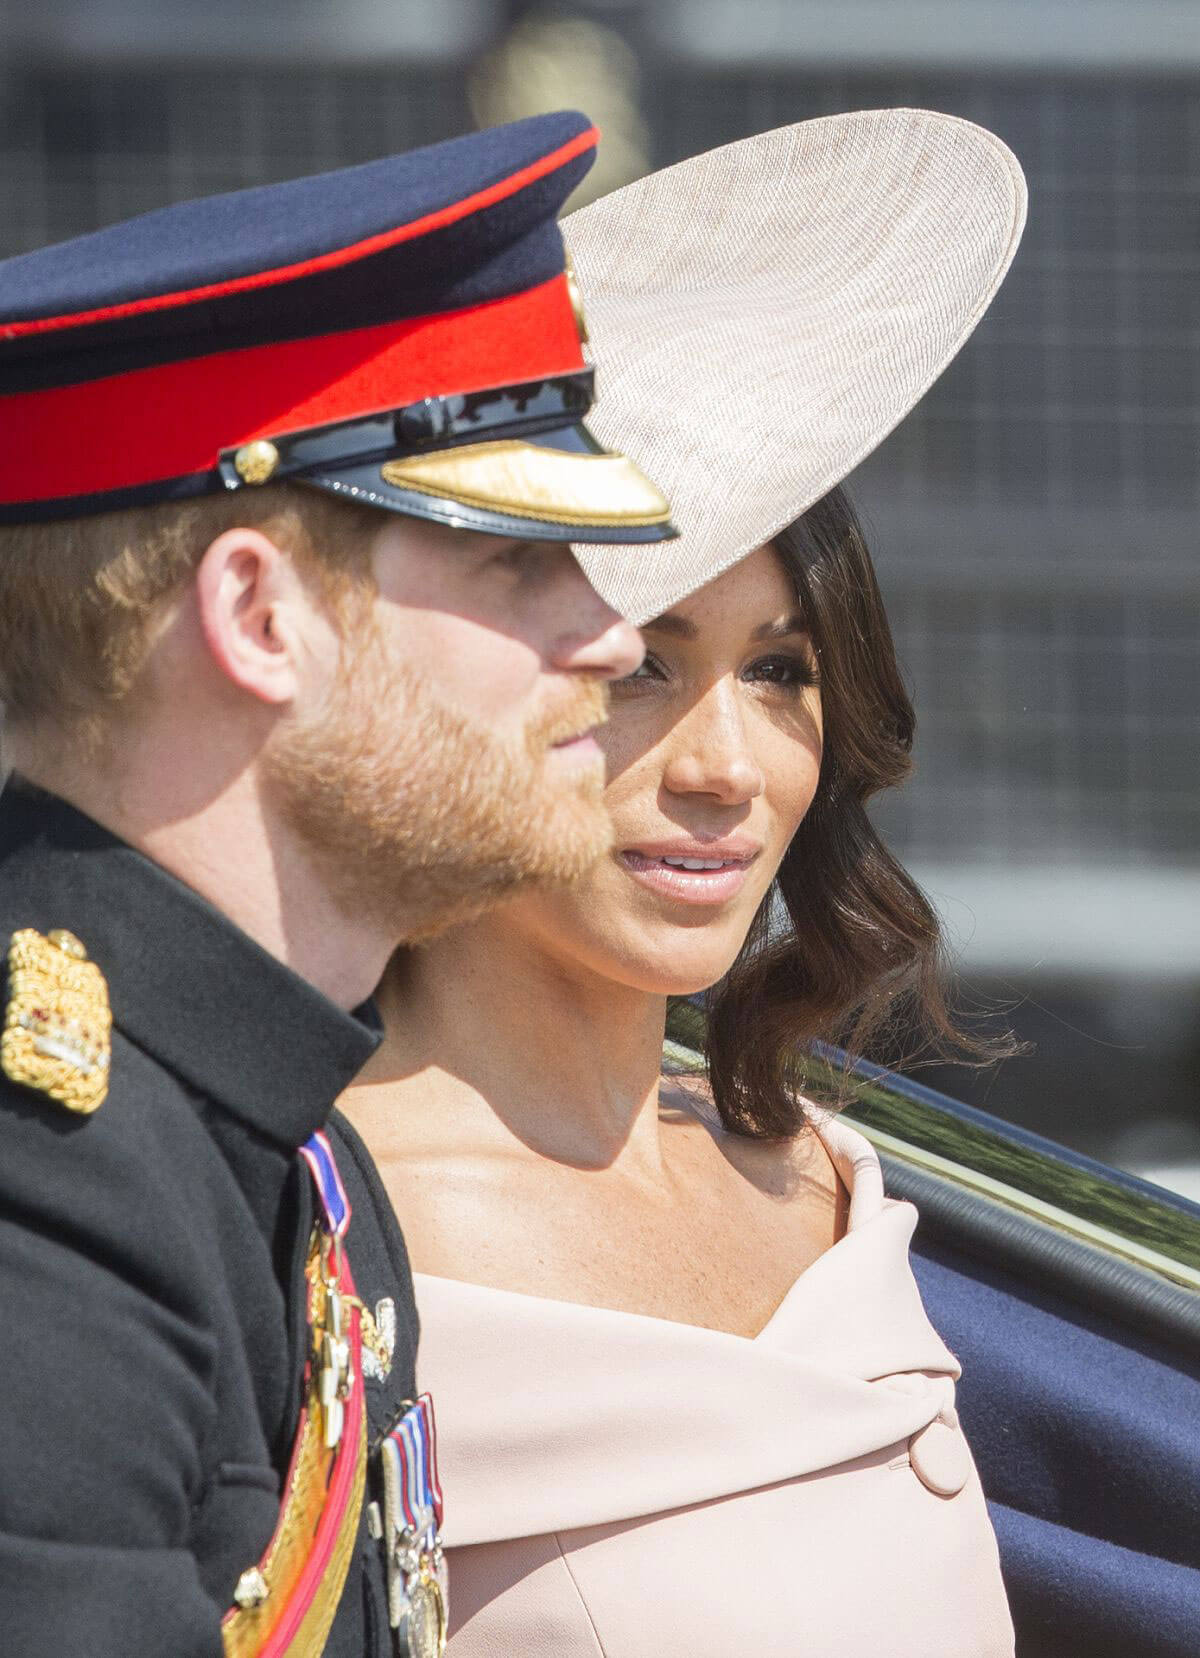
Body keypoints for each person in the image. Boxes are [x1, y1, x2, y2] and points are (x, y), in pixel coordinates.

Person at [339, 110, 1028, 1655]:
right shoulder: (306, 1236)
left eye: (781, 670)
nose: (728, 763)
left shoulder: (827, 1181)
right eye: (646, 663)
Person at [0, 110, 678, 1658]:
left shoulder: (281, 1141)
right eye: (518, 561)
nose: (614, 638)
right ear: (257, 614)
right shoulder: (40, 1180)